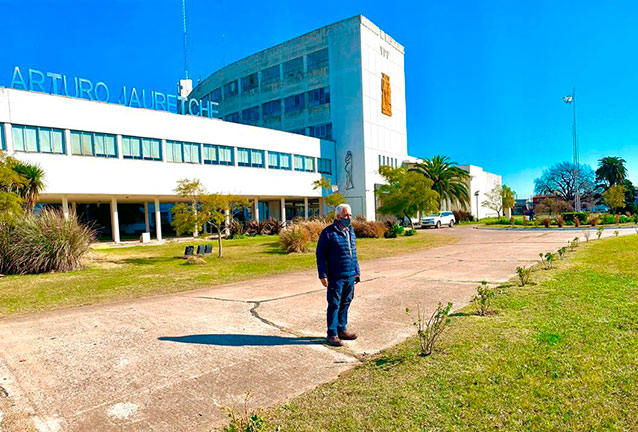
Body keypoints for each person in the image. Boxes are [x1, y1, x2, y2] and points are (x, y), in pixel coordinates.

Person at [315, 203, 361, 347]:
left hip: (349, 275)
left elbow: (353, 253)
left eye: (350, 215)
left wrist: (356, 272)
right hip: (336, 276)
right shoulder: (328, 233)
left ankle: (342, 329)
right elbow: (320, 255)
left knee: (346, 302)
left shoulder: (350, 231)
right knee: (334, 304)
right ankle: (332, 333)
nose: (349, 218)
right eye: (346, 215)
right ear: (338, 216)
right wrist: (322, 274)